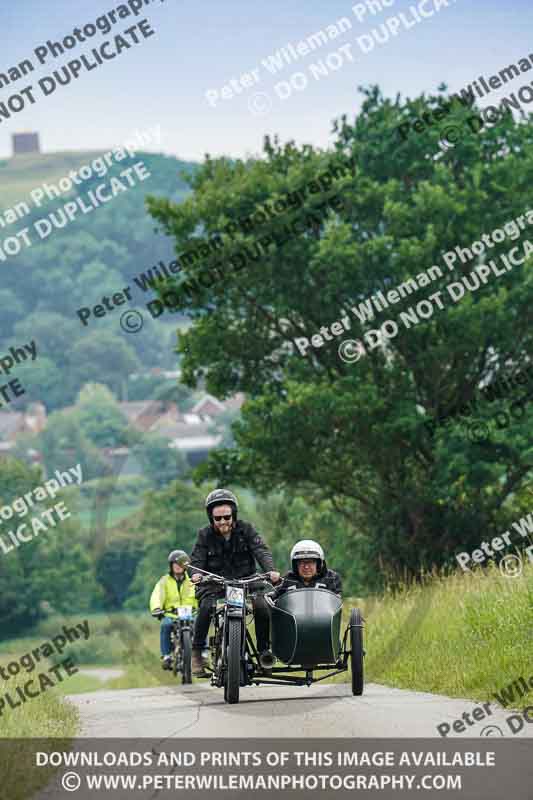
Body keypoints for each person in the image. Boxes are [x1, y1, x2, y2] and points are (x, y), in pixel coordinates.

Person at [189, 489, 281, 677]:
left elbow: (261, 550)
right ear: (211, 518)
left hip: (247, 581)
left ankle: (264, 652)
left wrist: (270, 570)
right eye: (218, 518)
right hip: (215, 584)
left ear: (234, 515)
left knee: (262, 606)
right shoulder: (204, 535)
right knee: (206, 607)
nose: (223, 522)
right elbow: (196, 560)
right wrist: (196, 574)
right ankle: (198, 653)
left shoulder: (246, 529)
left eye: (226, 517)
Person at [150, 549, 198, 670]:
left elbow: (200, 594)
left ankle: (203, 653)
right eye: (175, 564)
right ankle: (166, 656)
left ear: (185, 566)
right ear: (171, 566)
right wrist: (156, 608)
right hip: (172, 614)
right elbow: (157, 595)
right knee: (165, 625)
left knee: (200, 623)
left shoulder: (193, 580)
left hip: (191, 613)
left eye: (180, 564)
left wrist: (204, 606)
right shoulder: (164, 581)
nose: (177, 567)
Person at [269, 539, 342, 600]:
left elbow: (336, 603)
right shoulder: (288, 579)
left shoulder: (331, 578)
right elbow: (274, 597)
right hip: (292, 617)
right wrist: (273, 586)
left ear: (318, 564)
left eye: (310, 562)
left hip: (323, 617)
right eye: (302, 563)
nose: (306, 567)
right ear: (296, 565)